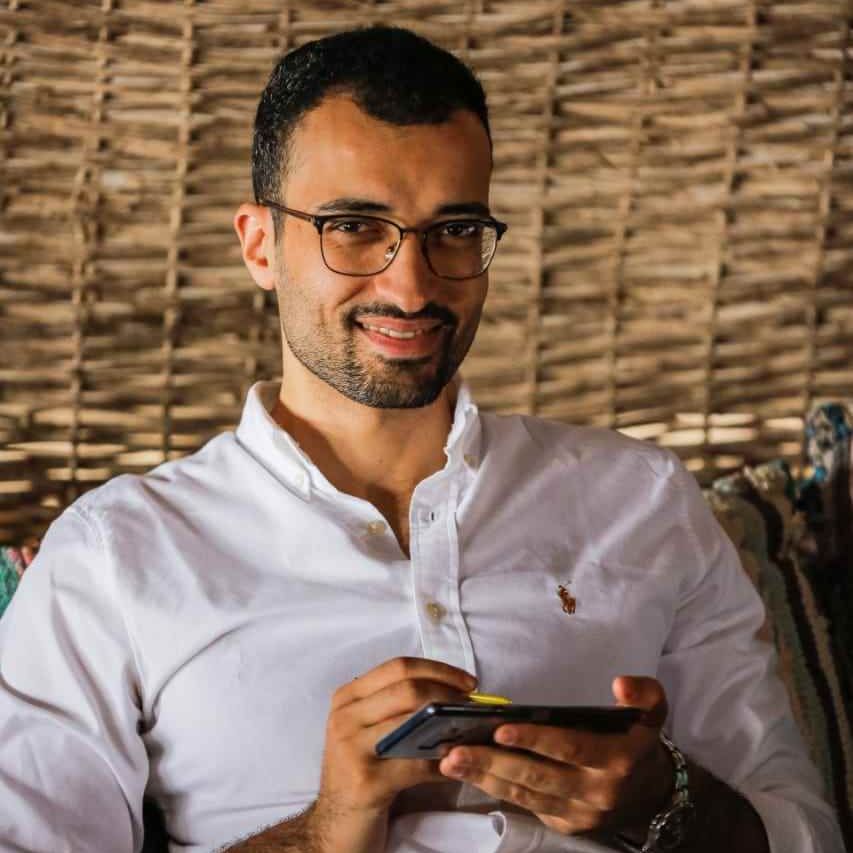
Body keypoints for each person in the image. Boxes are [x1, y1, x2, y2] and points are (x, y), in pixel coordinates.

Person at [0, 25, 844, 853]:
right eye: (354, 227)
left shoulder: (643, 497)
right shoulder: (115, 555)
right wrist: (326, 831)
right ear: (260, 245)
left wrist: (665, 804)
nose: (410, 287)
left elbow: (803, 833)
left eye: (455, 230)